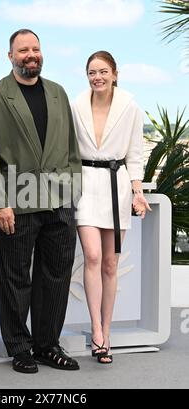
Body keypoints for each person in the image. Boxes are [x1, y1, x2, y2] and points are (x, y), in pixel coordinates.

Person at [0, 29, 82, 374]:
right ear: (10, 57)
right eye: (23, 50)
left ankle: (47, 345)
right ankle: (20, 348)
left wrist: (71, 194)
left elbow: (71, 150)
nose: (30, 54)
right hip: (15, 203)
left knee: (56, 277)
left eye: (35, 48)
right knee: (15, 278)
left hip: (59, 202)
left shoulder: (57, 92)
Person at [71, 51, 151, 364]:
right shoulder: (76, 104)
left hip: (117, 187)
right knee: (91, 256)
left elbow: (135, 152)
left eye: (103, 71)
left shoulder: (130, 105)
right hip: (86, 186)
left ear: (115, 73)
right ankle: (96, 331)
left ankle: (108, 329)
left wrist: (137, 190)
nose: (97, 77)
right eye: (92, 72)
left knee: (109, 264)